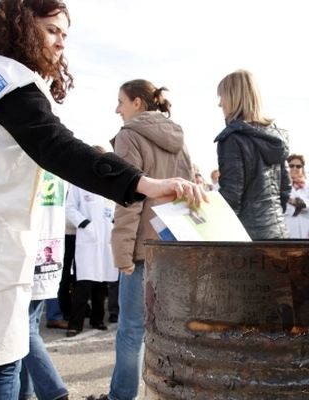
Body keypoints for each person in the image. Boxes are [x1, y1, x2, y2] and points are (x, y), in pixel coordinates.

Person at [0, 2, 206, 399]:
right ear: (22, 25)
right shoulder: (11, 83)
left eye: (65, 36)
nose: (60, 44)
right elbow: (58, 148)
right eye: (52, 30)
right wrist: (143, 184)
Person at [104, 79, 194, 400]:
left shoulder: (130, 135)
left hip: (143, 249)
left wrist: (122, 253)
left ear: (138, 103)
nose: (117, 108)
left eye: (121, 101)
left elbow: (129, 198)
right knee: (171, 330)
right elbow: (189, 193)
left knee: (131, 331)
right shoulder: (179, 140)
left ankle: (122, 396)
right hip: (175, 246)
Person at [214, 69, 290, 239]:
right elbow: (285, 189)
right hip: (278, 231)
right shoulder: (274, 137)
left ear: (234, 98)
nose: (220, 104)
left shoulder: (232, 138)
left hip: (246, 237)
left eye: (222, 97)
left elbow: (231, 196)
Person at [20, 171, 68, 400]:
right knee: (29, 324)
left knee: (22, 328)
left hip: (29, 249)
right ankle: (24, 390)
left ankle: (53, 391)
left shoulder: (28, 157)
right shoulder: (57, 165)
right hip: (50, 249)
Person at [65, 155, 119, 337]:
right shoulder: (79, 183)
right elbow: (69, 208)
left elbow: (115, 208)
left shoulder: (109, 184)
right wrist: (84, 224)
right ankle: (75, 324)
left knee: (101, 284)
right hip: (88, 239)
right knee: (83, 284)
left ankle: (97, 320)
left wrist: (113, 222)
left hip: (105, 240)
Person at [284, 154, 309, 238]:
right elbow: (282, 206)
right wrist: (298, 208)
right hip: (288, 227)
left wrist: (299, 203)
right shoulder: (283, 185)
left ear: (302, 168)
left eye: (298, 166)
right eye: (291, 166)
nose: (294, 168)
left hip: (306, 227)